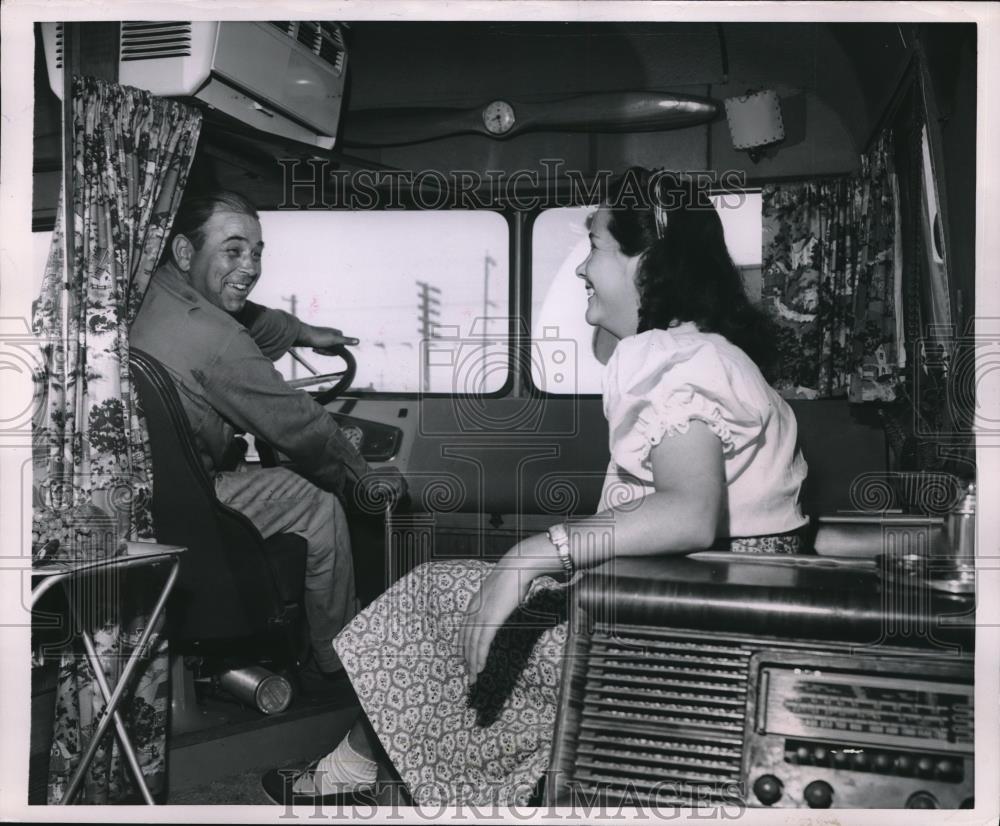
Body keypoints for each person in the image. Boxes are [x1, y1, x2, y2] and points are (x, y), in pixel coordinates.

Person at [262, 168, 808, 805]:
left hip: (675, 637)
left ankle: (361, 779)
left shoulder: (673, 357)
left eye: (597, 247)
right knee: (457, 598)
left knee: (434, 596)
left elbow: (690, 513)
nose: (582, 268)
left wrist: (529, 558)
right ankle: (380, 774)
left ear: (649, 261)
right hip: (704, 612)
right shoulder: (715, 353)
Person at [130, 190, 406, 685]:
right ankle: (338, 663)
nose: (251, 265)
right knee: (318, 500)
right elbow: (301, 428)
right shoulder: (217, 341)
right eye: (233, 250)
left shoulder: (148, 291)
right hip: (194, 505)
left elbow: (245, 315)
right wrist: (360, 480)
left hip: (142, 500)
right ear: (184, 252)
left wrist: (303, 332)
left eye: (257, 252)